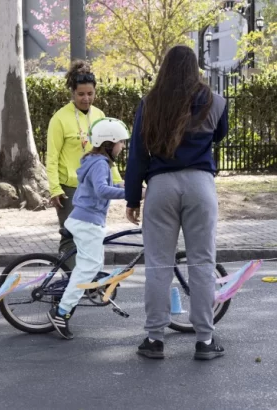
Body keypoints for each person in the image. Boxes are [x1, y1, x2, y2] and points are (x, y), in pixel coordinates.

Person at [124, 45, 228, 360]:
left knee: (158, 265)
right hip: (200, 185)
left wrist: (132, 198)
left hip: (161, 186)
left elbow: (138, 155)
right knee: (201, 263)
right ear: (195, 68)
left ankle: (154, 339)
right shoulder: (216, 102)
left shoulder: (149, 103)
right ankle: (205, 341)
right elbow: (219, 135)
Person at [47, 118, 131, 339]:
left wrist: (127, 186)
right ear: (108, 143)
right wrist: (131, 194)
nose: (122, 147)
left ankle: (70, 298)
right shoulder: (101, 163)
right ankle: (61, 312)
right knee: (88, 268)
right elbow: (103, 190)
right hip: (87, 222)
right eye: (121, 143)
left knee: (90, 266)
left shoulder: (96, 161)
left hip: (85, 220)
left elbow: (103, 186)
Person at [46, 61, 123, 268]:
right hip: (69, 188)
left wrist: (117, 181)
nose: (86, 98)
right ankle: (67, 282)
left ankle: (87, 283)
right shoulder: (59, 119)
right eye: (81, 94)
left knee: (92, 236)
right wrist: (54, 188)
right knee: (71, 236)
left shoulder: (99, 116)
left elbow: (107, 152)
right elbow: (51, 157)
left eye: (90, 93)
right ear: (72, 93)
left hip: (94, 187)